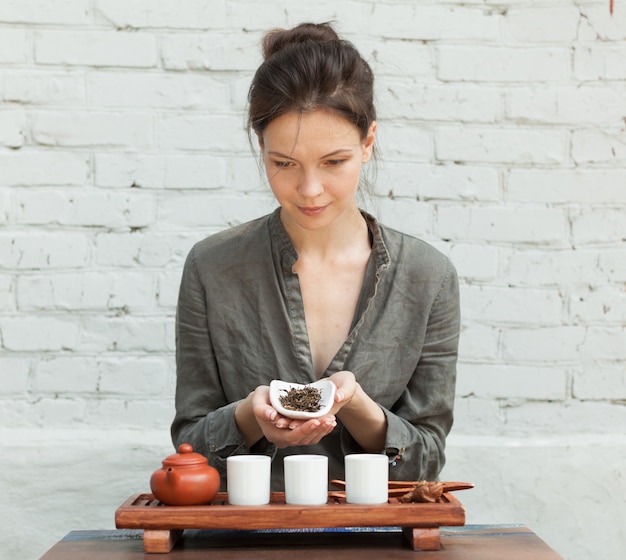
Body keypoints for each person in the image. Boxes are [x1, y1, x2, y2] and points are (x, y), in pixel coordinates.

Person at [171, 22, 460, 491]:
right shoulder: (212, 268)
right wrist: (250, 415)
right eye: (283, 164)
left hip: (379, 538)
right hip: (242, 536)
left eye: (333, 162)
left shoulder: (428, 277)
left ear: (368, 143)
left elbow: (426, 462)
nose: (309, 190)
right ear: (260, 148)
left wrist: (359, 407)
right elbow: (188, 449)